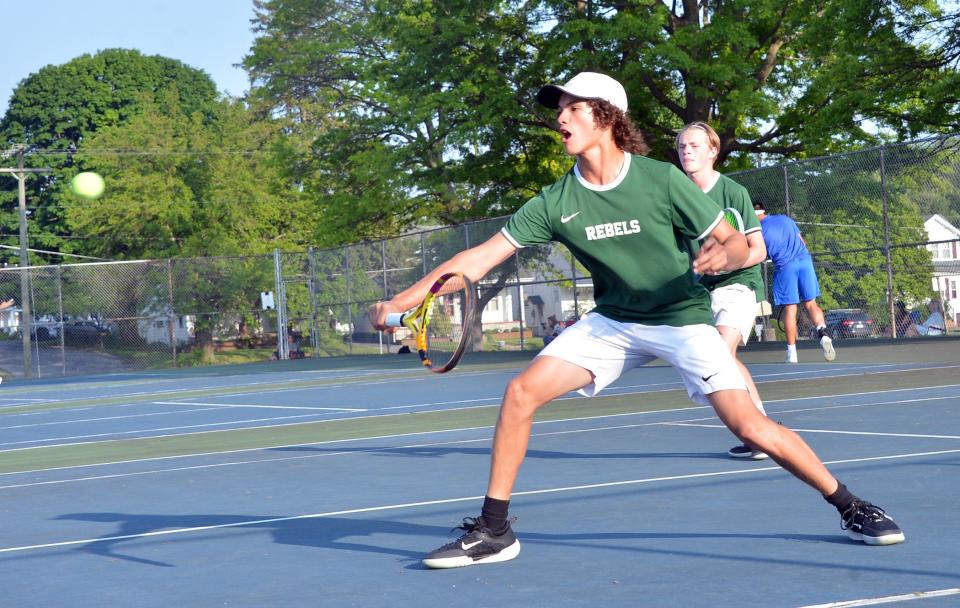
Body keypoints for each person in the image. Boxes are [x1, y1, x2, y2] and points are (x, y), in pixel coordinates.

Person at [369, 72, 904, 569]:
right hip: (614, 322)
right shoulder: (556, 200)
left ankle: (850, 504)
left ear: (606, 116)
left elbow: (738, 243)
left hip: (681, 318)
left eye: (573, 108)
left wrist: (729, 255)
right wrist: (400, 303)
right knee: (520, 392)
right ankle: (494, 530)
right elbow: (477, 259)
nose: (560, 118)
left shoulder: (662, 181)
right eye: (558, 109)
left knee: (748, 426)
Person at [676, 122, 770, 460]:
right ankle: (760, 428)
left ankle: (758, 433)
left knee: (721, 350)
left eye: (694, 145)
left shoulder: (733, 193)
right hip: (700, 292)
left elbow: (758, 250)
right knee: (721, 358)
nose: (686, 151)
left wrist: (727, 262)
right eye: (682, 146)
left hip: (738, 284)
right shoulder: (676, 197)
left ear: (713, 151)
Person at [753, 201, 835, 363]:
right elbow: (802, 242)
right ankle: (823, 334)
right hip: (805, 261)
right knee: (811, 303)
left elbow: (761, 254)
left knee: (790, 310)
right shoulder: (786, 219)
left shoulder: (758, 231)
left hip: (785, 267)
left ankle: (792, 354)